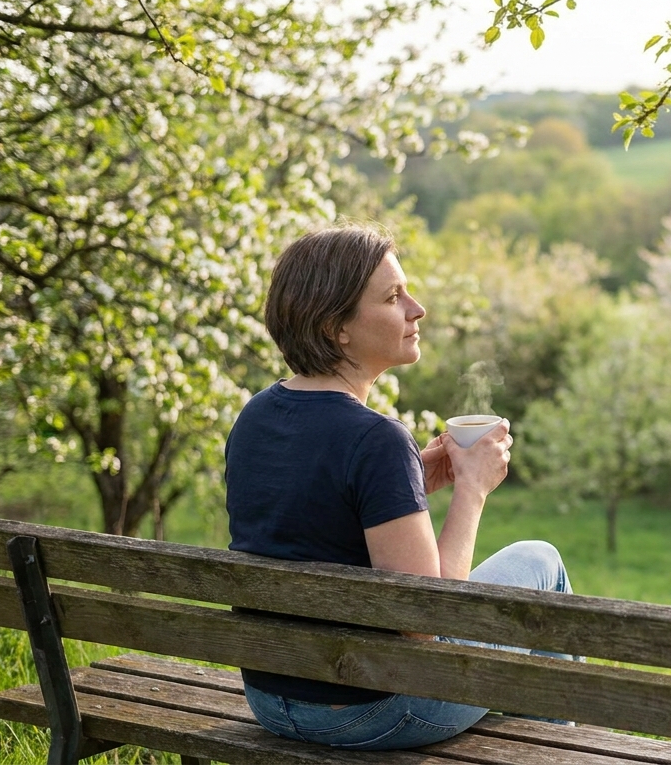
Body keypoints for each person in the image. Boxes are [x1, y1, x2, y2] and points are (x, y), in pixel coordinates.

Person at [224, 225, 574, 751]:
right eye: (393, 297)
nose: (417, 309)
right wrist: (471, 490)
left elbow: (314, 524)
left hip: (272, 699)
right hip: (374, 711)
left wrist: (409, 480)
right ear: (334, 327)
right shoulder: (374, 438)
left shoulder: (255, 416)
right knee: (540, 560)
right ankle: (561, 752)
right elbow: (427, 622)